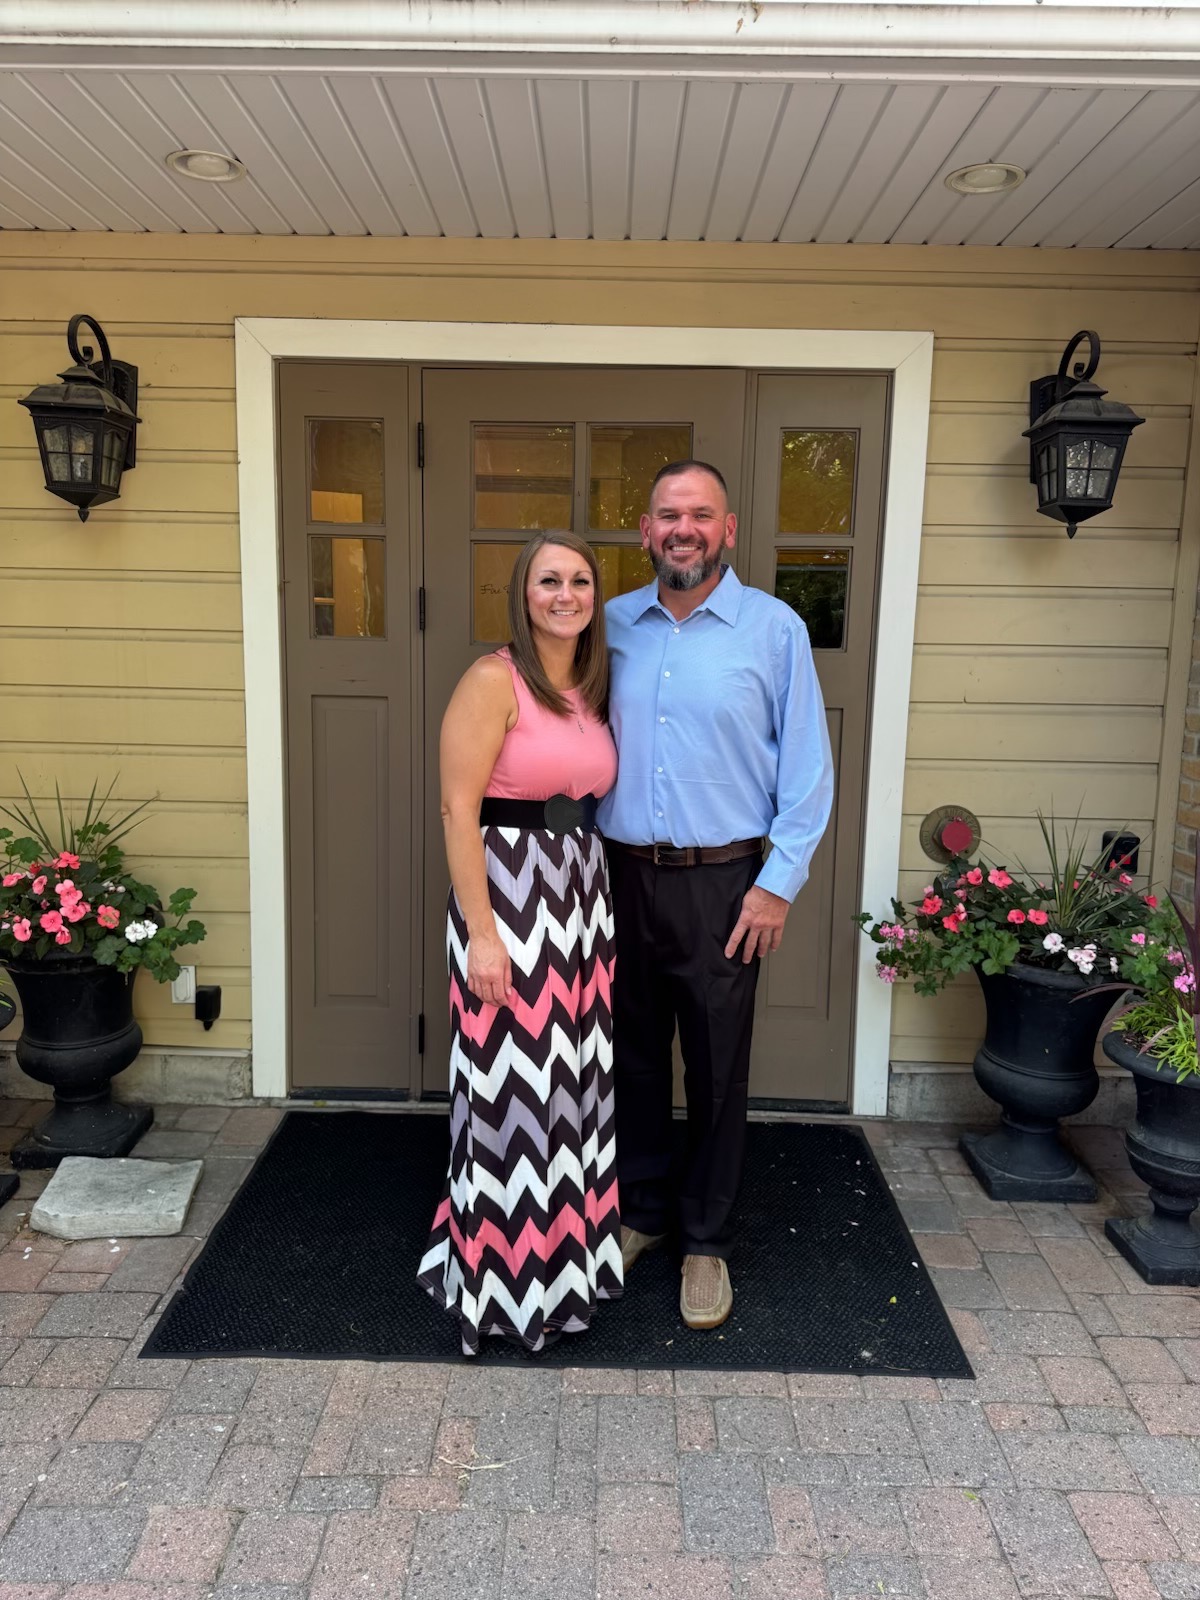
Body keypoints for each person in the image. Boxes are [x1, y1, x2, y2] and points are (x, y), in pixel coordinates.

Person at [598, 460, 834, 1331]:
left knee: (716, 1065)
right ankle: (642, 1211)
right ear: (646, 530)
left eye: (701, 514)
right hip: (617, 875)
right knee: (629, 1057)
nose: (683, 529)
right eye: (668, 514)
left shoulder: (773, 630)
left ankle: (705, 1239)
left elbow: (807, 771)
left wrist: (776, 887)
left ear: (727, 530)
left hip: (725, 883)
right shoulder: (609, 624)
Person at [418, 531, 622, 1356]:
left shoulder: (593, 685)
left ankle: (567, 1272)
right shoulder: (491, 680)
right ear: (523, 593)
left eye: (580, 581)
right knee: (516, 1097)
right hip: (508, 900)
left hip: (581, 898)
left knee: (573, 1089)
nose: (566, 594)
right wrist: (483, 936)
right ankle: (502, 1286)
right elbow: (457, 811)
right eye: (548, 581)